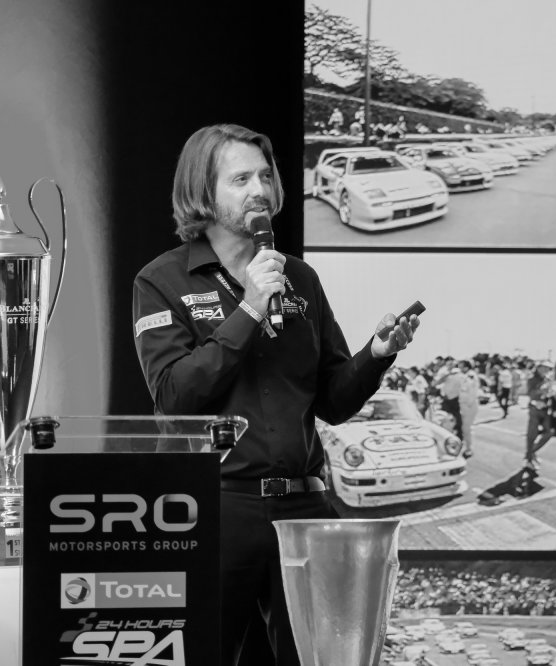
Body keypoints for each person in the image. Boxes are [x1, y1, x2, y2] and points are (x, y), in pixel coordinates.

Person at [131, 124, 419, 666]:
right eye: (240, 179)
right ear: (202, 191)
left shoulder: (300, 279)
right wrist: (249, 309)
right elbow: (174, 397)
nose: (259, 189)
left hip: (304, 508)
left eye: (265, 176)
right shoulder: (162, 281)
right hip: (215, 508)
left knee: (318, 659)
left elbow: (333, 402)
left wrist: (377, 353)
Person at [524, 360, 555, 469]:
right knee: (532, 435)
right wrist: (541, 391)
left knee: (549, 432)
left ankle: (531, 452)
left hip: (545, 408)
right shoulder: (532, 379)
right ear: (538, 368)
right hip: (535, 408)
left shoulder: (547, 379)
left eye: (548, 368)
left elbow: (549, 393)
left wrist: (552, 394)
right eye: (544, 367)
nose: (546, 370)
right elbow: (530, 393)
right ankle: (529, 460)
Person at [457, 360, 478, 458]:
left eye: (461, 366)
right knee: (462, 428)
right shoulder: (463, 376)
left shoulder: (471, 376)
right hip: (464, 405)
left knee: (466, 428)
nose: (459, 368)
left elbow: (472, 392)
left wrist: (468, 404)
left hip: (469, 405)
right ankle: (463, 446)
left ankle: (469, 449)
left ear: (466, 367)